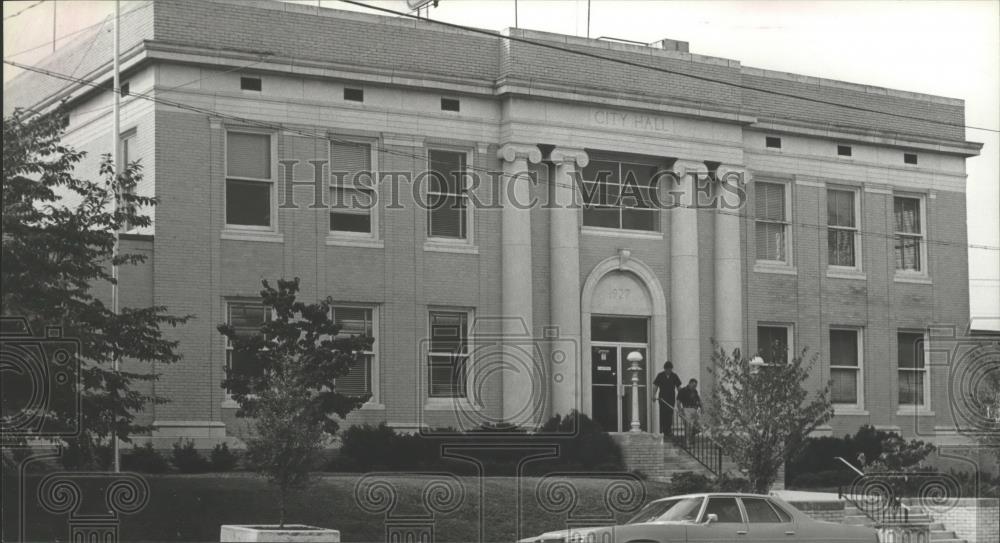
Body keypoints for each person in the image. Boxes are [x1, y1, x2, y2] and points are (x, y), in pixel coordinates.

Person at [652, 361, 682, 438]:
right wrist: (653, 395)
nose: (668, 371)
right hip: (662, 398)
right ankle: (663, 430)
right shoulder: (660, 375)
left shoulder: (674, 376)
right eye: (667, 369)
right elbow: (655, 386)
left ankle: (668, 430)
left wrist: (681, 396)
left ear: (671, 369)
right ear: (665, 369)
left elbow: (679, 387)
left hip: (671, 397)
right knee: (663, 413)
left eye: (670, 369)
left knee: (669, 413)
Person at [677, 379, 702, 445]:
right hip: (686, 409)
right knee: (688, 426)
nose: (694, 387)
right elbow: (678, 402)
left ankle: (691, 439)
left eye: (695, 386)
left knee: (698, 426)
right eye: (693, 385)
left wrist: (702, 407)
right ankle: (688, 441)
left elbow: (698, 400)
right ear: (690, 383)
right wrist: (680, 411)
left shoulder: (695, 391)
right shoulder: (683, 390)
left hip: (694, 409)